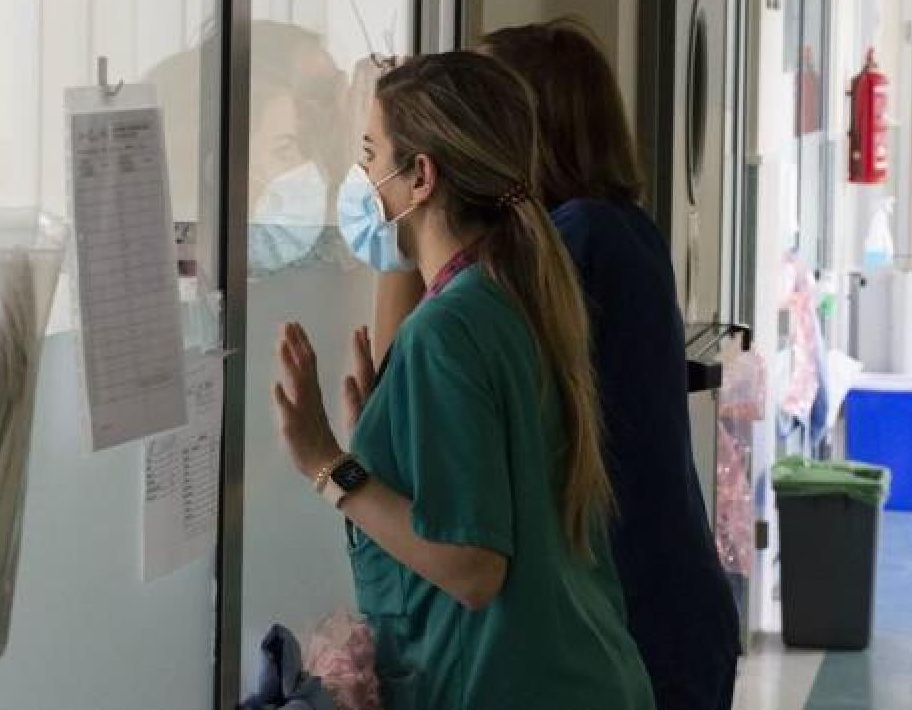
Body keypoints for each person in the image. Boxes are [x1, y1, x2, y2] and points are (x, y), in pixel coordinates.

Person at [271, 51, 655, 710]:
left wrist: (327, 464)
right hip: (585, 675)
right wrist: (388, 442)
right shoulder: (515, 296)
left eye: (369, 153)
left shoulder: (448, 329)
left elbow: (473, 568)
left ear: (420, 176)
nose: (361, 176)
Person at [375, 20, 742, 709]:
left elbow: (405, 371)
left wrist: (401, 203)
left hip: (638, 616)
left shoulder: (580, 244)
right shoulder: (618, 227)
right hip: (654, 604)